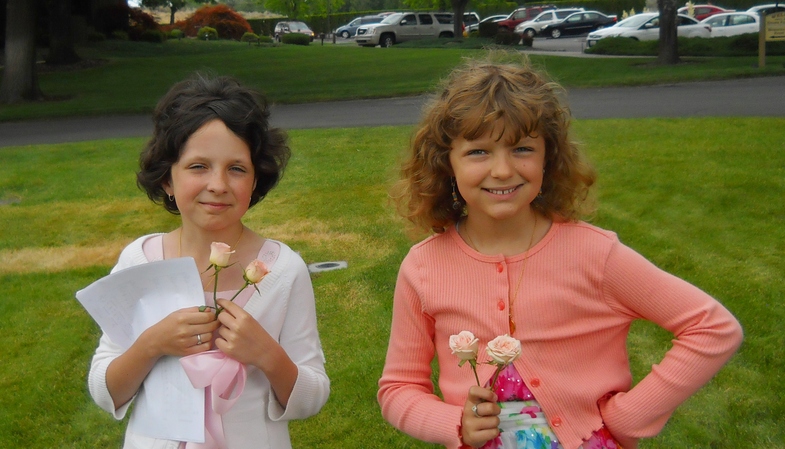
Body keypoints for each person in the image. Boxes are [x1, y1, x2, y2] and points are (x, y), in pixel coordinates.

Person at [377, 54, 743, 449]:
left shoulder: (594, 254)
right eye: (478, 152)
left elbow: (712, 329)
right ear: (446, 162)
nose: (502, 170)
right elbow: (398, 387)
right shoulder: (424, 267)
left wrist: (630, 416)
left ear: (549, 156)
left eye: (521, 149)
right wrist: (453, 424)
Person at [87, 74, 330, 449]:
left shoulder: (282, 270)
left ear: (255, 180)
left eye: (236, 168)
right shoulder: (139, 262)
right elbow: (106, 391)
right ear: (167, 178)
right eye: (198, 166)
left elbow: (312, 396)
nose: (218, 184)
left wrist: (267, 355)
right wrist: (151, 344)